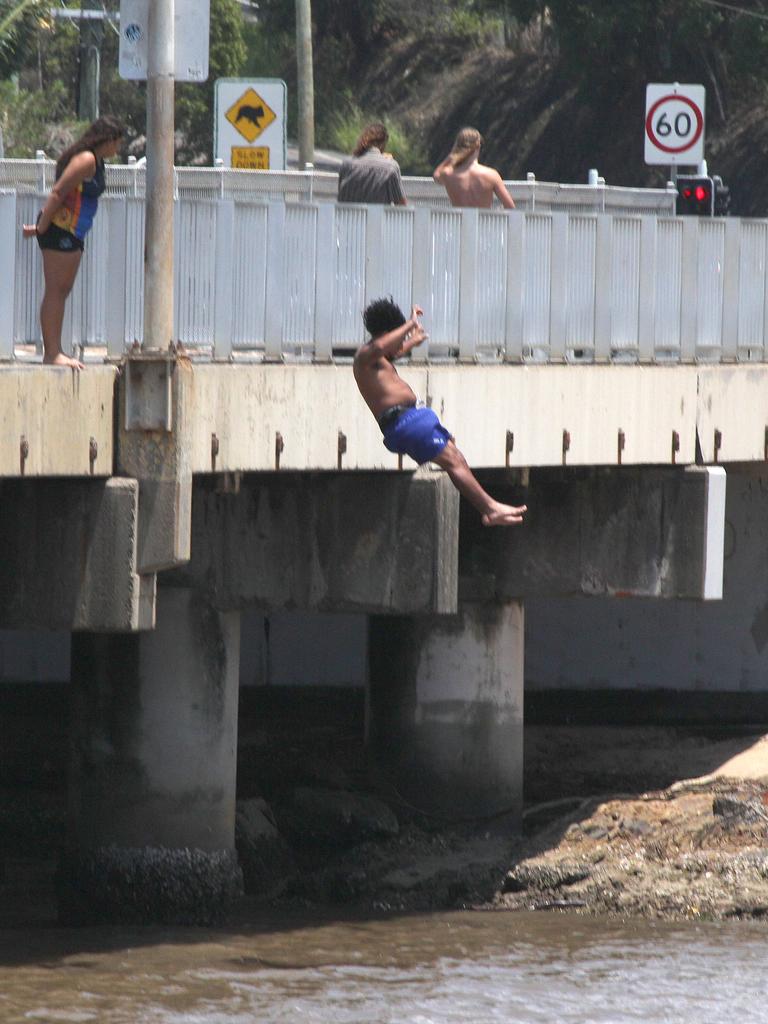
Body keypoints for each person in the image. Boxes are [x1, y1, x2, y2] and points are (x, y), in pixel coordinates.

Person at [354, 297, 527, 527]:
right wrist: (410, 324)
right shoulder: (364, 357)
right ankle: (490, 508)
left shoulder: (378, 359)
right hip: (404, 422)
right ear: (387, 333)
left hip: (412, 419)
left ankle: (489, 507)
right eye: (398, 337)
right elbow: (380, 347)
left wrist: (410, 342)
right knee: (453, 460)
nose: (401, 343)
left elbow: (390, 351)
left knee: (455, 455)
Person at [22, 115, 125, 369]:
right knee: (56, 290)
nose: (118, 149)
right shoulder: (86, 159)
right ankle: (52, 353)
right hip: (60, 229)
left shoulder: (97, 161)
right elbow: (58, 191)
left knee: (62, 290)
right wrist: (41, 227)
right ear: (107, 140)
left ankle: (56, 349)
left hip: (73, 232)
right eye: (117, 143)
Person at [433, 127, 515, 210]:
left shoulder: (448, 174)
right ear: (478, 146)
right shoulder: (491, 175)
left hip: (459, 222)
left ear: (457, 147)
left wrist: (451, 155)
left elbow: (436, 176)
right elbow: (510, 207)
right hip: (483, 222)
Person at [337, 122, 407, 206]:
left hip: (347, 218)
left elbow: (341, 194)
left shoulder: (347, 164)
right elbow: (401, 205)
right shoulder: (390, 167)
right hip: (376, 218)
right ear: (383, 144)